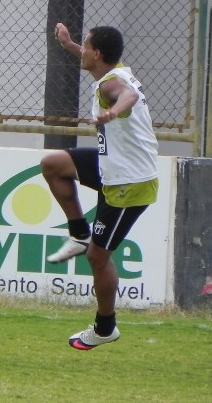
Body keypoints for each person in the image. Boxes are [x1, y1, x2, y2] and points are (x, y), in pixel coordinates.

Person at [42, 23, 158, 350]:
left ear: (98, 54)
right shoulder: (113, 68)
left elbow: (127, 95)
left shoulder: (112, 86)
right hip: (112, 165)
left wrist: (113, 113)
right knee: (53, 165)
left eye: (86, 46)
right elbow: (95, 60)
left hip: (128, 183)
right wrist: (68, 44)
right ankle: (79, 232)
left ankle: (105, 327)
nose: (83, 50)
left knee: (98, 257)